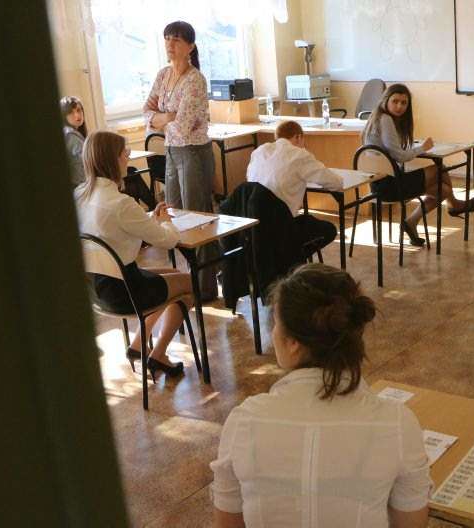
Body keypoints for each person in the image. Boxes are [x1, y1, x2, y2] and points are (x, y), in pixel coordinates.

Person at [210, 263, 432, 528]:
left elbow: (227, 523)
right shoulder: (397, 424)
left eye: (276, 324)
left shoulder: (243, 422)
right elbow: (411, 523)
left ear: (293, 343)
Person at [75, 130, 192, 380]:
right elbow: (169, 240)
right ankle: (158, 354)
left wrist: (151, 221)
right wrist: (165, 221)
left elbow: (116, 229)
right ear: (113, 160)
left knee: (173, 274)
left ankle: (138, 345)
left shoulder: (79, 196)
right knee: (189, 285)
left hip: (95, 288)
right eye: (125, 153)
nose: (128, 158)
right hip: (125, 292)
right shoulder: (121, 204)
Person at [143, 20, 218, 300]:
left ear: (190, 46)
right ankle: (190, 277)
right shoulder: (163, 75)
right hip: (172, 151)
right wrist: (167, 117)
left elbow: (184, 127)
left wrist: (161, 119)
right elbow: (146, 112)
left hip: (194, 152)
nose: (170, 45)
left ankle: (206, 286)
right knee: (173, 215)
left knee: (197, 220)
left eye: (176, 39)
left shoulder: (195, 79)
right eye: (167, 39)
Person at [362, 83, 474, 247]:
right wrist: (423, 148)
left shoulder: (376, 117)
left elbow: (393, 151)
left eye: (404, 103)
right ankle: (454, 205)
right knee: (439, 168)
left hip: (378, 186)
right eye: (395, 101)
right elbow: (399, 156)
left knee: (443, 190)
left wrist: (412, 149)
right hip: (390, 186)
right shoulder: (385, 119)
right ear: (385, 100)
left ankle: (411, 222)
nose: (399, 106)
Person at [246, 120, 342, 253]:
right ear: (298, 137)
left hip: (252, 224)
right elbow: (334, 182)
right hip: (281, 224)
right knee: (329, 229)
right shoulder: (299, 155)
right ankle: (292, 257)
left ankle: (286, 256)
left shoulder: (259, 151)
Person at [60, 95, 87, 187]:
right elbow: (86, 162)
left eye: (79, 110)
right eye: (71, 112)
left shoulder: (68, 132)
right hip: (79, 186)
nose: (77, 115)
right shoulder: (70, 135)